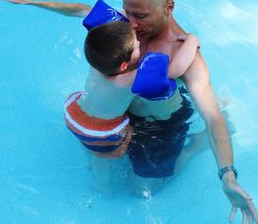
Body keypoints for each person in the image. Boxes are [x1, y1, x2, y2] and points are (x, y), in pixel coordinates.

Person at [0, 0, 258, 223]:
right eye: (128, 12)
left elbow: (212, 115)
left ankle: (194, 146)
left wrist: (227, 175)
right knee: (96, 159)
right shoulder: (123, 25)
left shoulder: (183, 55)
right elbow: (82, 10)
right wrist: (30, 2)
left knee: (139, 188)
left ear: (168, 8)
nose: (131, 24)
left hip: (161, 125)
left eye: (141, 16)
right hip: (121, 117)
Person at [64, 20, 200, 194]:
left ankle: (93, 164)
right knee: (102, 158)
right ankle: (102, 186)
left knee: (95, 155)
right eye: (137, 46)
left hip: (75, 112)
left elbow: (107, 34)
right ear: (123, 66)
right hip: (100, 130)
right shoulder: (125, 81)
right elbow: (174, 70)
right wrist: (192, 40)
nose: (139, 44)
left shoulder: (98, 61)